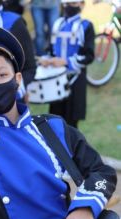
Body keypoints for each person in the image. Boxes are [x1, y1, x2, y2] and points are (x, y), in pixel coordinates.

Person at [0, 24, 117, 219]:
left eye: (1, 75)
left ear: (17, 79)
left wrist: (85, 207)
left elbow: (101, 172)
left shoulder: (52, 127)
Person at [39, 0, 95, 128]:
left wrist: (66, 61)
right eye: (66, 4)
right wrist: (47, 59)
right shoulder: (57, 24)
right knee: (55, 121)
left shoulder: (86, 26)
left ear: (82, 4)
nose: (68, 6)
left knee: (72, 125)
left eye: (73, 3)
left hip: (75, 81)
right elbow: (50, 50)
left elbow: (88, 56)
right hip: (57, 81)